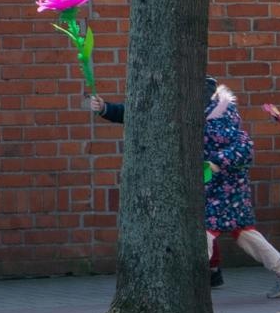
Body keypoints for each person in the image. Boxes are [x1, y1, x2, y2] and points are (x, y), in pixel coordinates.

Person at [87, 92, 226, 287]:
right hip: (168, 170)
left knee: (202, 223)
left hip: (200, 172)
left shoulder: (213, 116)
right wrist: (105, 108)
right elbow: (136, 113)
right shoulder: (166, 102)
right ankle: (197, 269)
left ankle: (211, 268)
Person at [202, 77, 280, 299]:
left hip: (226, 193)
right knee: (245, 234)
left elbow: (244, 151)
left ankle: (194, 280)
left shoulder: (220, 125)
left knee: (204, 233)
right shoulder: (212, 122)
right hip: (224, 192)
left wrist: (216, 161)